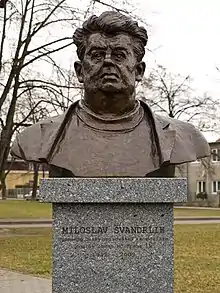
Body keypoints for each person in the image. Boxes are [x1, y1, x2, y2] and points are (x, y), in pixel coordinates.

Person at [11, 11, 210, 177]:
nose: (107, 62)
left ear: (139, 71)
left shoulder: (184, 137)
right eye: (96, 55)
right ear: (80, 71)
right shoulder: (38, 137)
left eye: (119, 55)